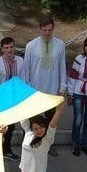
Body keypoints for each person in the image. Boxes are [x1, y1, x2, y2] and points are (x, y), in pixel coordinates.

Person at [23, 17, 67, 157]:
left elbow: (62, 67)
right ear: (40, 29)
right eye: (44, 30)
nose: (47, 33)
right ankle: (33, 142)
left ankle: (49, 144)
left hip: (52, 90)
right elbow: (26, 69)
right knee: (34, 120)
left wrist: (62, 88)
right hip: (35, 90)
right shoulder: (31, 46)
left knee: (50, 119)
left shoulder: (60, 45)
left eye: (49, 30)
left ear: (53, 29)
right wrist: (27, 89)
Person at [0, 36, 26, 160]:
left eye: (11, 47)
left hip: (14, 98)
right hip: (1, 99)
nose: (9, 50)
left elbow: (23, 79)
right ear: (2, 49)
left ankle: (7, 150)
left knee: (11, 126)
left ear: (14, 47)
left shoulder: (20, 61)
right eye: (6, 48)